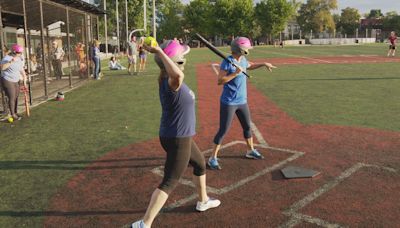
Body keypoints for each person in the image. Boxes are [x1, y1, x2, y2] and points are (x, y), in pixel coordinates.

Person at [130, 40, 221, 228]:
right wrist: (159, 52)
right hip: (177, 138)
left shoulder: (167, 77)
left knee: (200, 164)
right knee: (169, 181)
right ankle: (144, 224)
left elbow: (176, 73)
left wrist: (160, 54)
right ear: (176, 61)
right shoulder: (173, 81)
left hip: (180, 135)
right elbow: (178, 74)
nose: (185, 58)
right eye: (183, 56)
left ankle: (203, 201)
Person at [207, 37, 277, 170]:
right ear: (241, 50)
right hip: (229, 102)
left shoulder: (243, 60)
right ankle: (212, 158)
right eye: (247, 48)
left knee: (247, 127)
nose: (249, 50)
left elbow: (249, 66)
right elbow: (220, 81)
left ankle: (250, 150)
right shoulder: (227, 62)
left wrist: (263, 64)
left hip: (242, 101)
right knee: (223, 130)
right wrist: (235, 73)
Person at [0, 44, 27, 120]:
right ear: (14, 52)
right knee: (12, 97)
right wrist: (11, 61)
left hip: (16, 80)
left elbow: (21, 69)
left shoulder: (19, 58)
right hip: (7, 79)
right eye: (19, 52)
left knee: (16, 96)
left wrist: (24, 78)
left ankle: (15, 112)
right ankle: (12, 114)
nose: (21, 54)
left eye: (21, 53)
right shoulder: (6, 58)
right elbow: (2, 68)